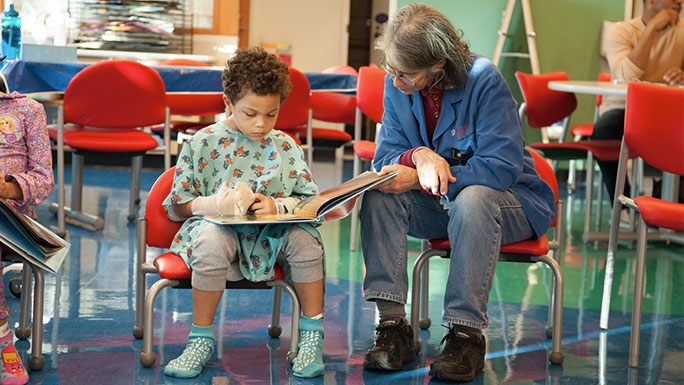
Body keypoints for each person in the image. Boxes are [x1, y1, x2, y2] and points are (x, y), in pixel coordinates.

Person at [359, 4, 555, 382]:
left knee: (474, 198)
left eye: (407, 74)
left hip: (510, 202)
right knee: (379, 193)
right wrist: (419, 155)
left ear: (438, 65)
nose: (396, 81)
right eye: (391, 70)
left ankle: (465, 335)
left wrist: (417, 179)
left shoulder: (484, 80)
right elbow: (386, 154)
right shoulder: (395, 83)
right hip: (443, 205)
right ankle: (392, 327)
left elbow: (500, 167)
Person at [162, 47, 326, 379]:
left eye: (271, 114)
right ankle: (201, 339)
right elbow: (178, 206)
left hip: (274, 234)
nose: (261, 124)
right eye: (250, 113)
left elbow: (311, 203)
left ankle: (311, 336)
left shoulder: (286, 146)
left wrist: (279, 206)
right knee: (208, 239)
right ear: (228, 102)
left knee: (308, 243)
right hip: (218, 231)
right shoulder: (202, 143)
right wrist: (211, 205)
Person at [593, 0, 683, 202]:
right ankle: (623, 204)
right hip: (624, 109)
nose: (680, 1)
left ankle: (670, 202)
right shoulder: (621, 32)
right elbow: (626, 75)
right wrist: (651, 29)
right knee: (603, 131)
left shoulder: (682, 31)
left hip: (666, 114)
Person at [0, 89, 54, 385]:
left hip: (12, 219)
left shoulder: (27, 110)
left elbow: (44, 180)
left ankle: (3, 337)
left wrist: (8, 189)